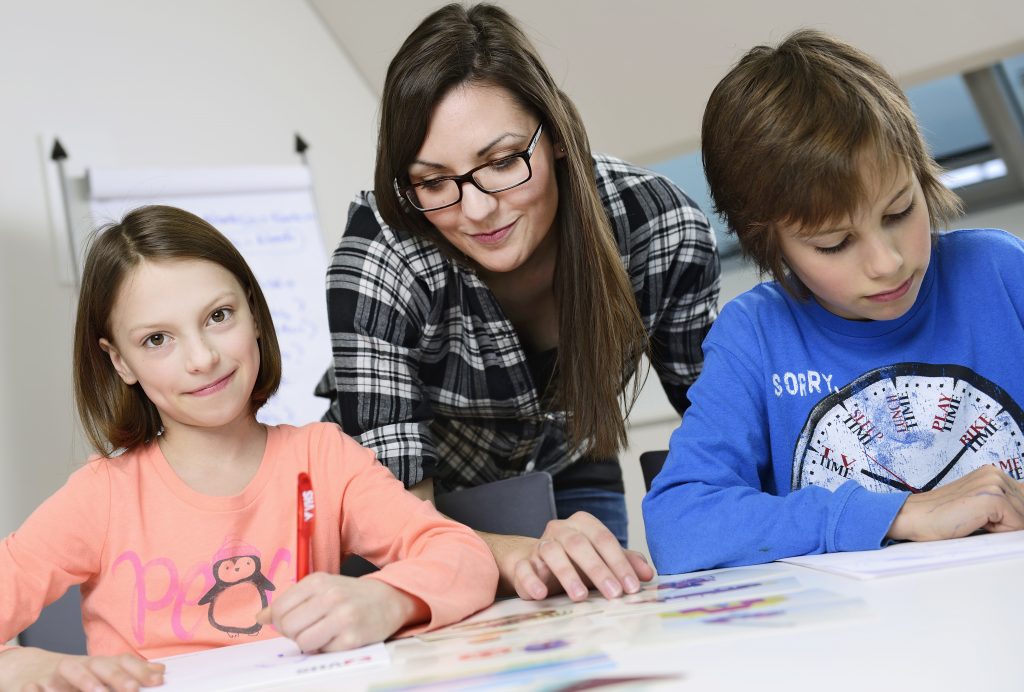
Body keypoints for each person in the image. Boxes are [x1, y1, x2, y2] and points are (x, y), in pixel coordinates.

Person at [315, 3, 719, 600]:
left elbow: (717, 428)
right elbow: (400, 519)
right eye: (433, 181)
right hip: (412, 505)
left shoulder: (658, 226)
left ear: (554, 134)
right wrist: (522, 552)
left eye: (502, 161)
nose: (477, 209)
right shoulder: (382, 254)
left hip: (570, 469)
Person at [0, 206, 497, 691]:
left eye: (218, 316)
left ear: (254, 315)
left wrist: (387, 599)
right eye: (156, 339)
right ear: (120, 362)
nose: (202, 358)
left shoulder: (324, 460)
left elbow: (465, 558)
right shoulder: (102, 496)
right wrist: (18, 670)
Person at [644, 29, 1024, 574]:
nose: (886, 262)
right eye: (834, 243)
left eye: (898, 212)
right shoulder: (755, 337)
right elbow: (679, 525)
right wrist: (898, 513)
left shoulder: (1002, 274)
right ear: (769, 243)